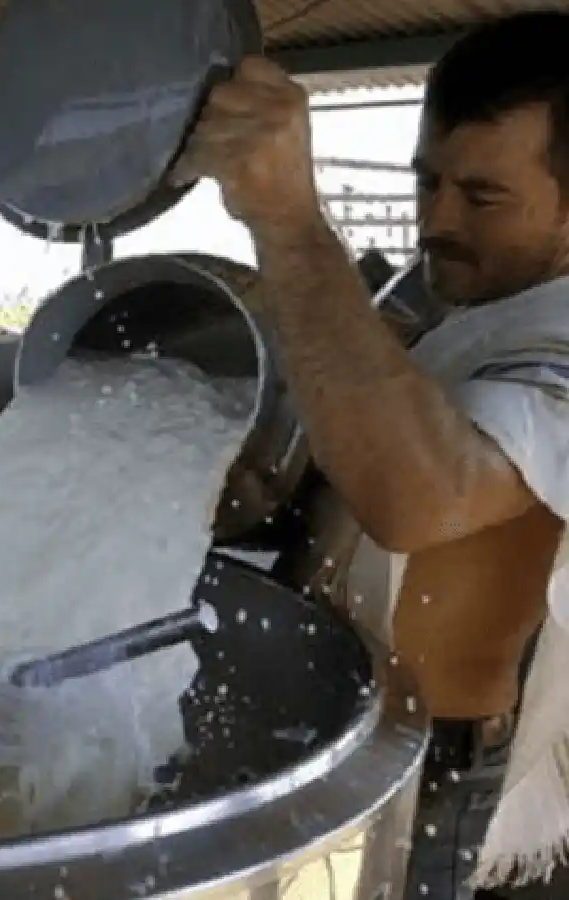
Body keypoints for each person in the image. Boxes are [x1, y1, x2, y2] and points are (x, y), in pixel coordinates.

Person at [175, 11, 569, 900]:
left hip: (455, 788)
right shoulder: (461, 305)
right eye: (426, 181)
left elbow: (423, 498)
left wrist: (287, 221)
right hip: (344, 719)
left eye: (483, 196)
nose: (435, 220)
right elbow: (363, 452)